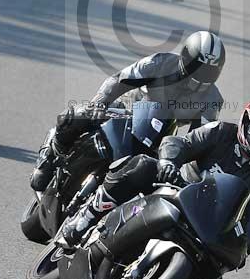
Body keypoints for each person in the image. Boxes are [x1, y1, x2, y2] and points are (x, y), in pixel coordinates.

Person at [59, 96, 250, 279]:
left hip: (207, 226)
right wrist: (168, 162)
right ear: (246, 127)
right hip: (177, 190)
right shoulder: (220, 132)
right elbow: (180, 143)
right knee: (142, 166)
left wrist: (244, 247)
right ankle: (86, 217)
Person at [30, 31, 226, 191]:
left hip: (159, 138)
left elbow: (201, 139)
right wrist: (100, 103)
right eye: (196, 66)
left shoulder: (212, 100)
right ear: (185, 57)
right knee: (75, 116)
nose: (200, 75)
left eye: (208, 70)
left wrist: (187, 170)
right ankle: (49, 154)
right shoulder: (159, 63)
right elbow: (119, 79)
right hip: (125, 111)